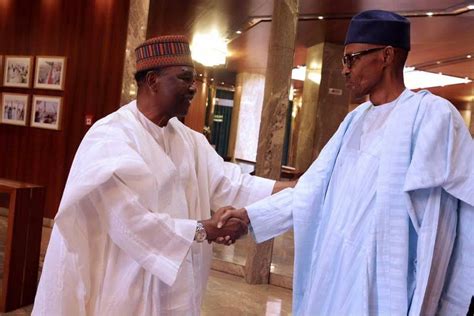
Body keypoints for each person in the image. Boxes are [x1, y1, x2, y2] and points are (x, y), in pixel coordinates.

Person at [218, 10, 474, 315]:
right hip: (336, 271)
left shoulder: (431, 117)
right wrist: (249, 216)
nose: (344, 69)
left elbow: (438, 225)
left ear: (387, 56)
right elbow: (311, 190)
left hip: (387, 287)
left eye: (352, 58)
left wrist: (425, 304)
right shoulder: (354, 120)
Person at [32, 35, 293, 315]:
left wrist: (295, 189)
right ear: (153, 81)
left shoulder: (189, 140)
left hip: (180, 287)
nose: (194, 87)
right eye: (184, 78)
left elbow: (231, 182)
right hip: (125, 288)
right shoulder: (110, 137)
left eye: (195, 78)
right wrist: (205, 229)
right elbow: (129, 222)